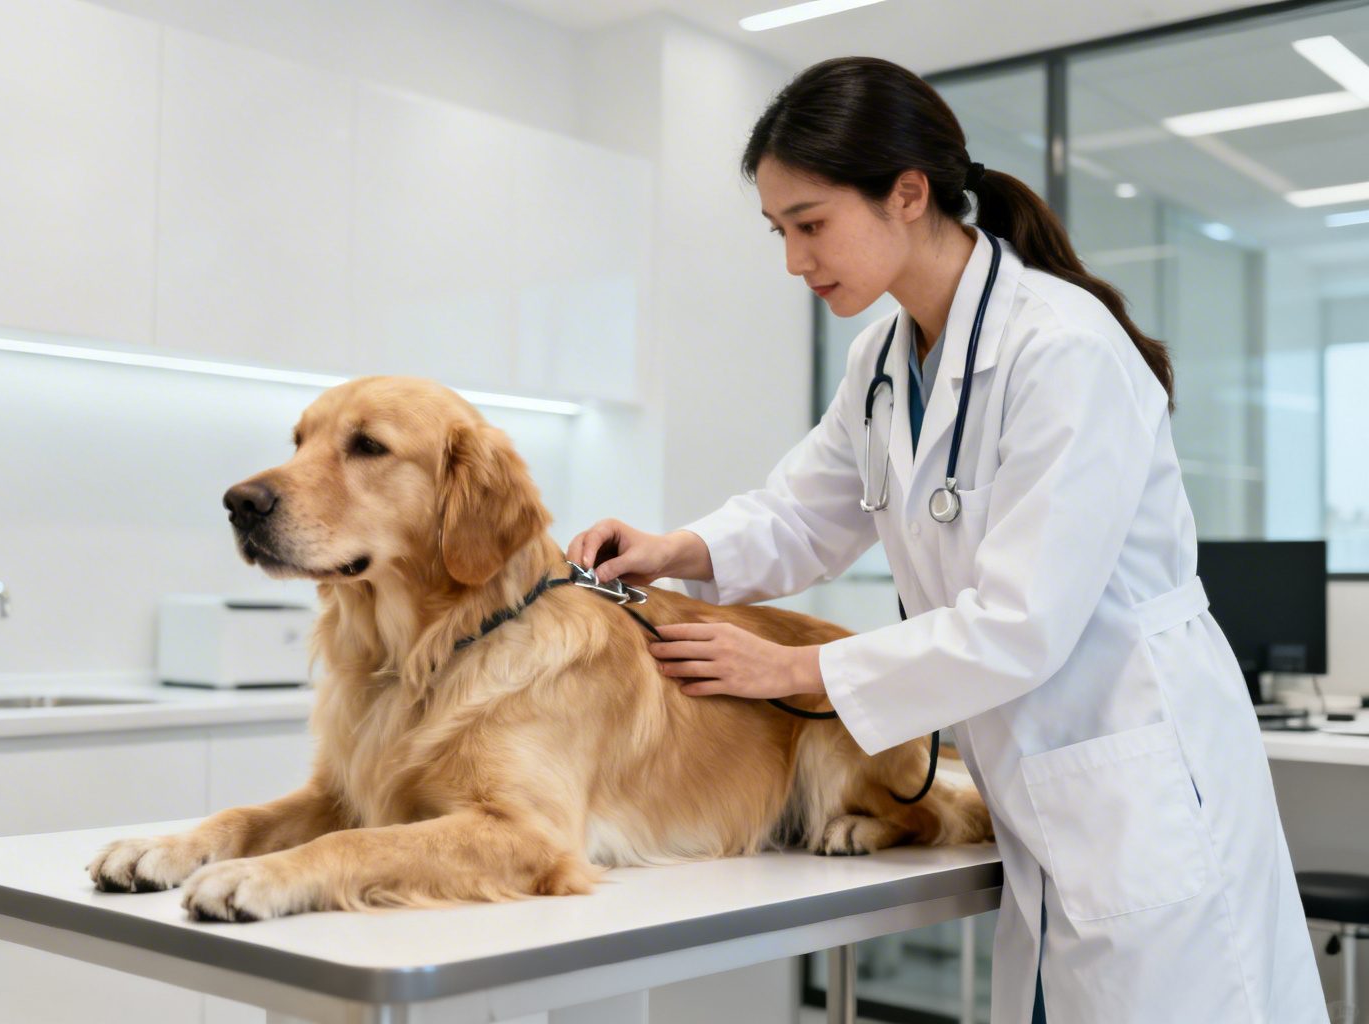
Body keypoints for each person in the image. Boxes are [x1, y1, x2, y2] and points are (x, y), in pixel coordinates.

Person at [567, 57, 1327, 1024]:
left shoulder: (1061, 347)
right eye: (780, 231)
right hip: (1046, 785)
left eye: (811, 224)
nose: (795, 260)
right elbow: (805, 513)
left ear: (909, 194)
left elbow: (1021, 623)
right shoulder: (885, 359)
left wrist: (789, 670)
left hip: (1138, 768)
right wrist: (674, 549)